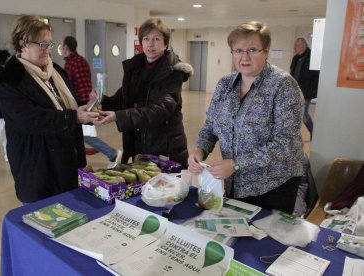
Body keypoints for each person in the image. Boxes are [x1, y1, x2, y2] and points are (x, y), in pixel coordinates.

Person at [188, 21, 304, 214]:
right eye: (238, 50)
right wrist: (199, 151)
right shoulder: (225, 84)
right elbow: (210, 125)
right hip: (236, 182)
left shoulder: (283, 86)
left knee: (265, 240)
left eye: (252, 50)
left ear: (266, 51)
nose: (245, 57)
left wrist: (236, 164)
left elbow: (286, 143)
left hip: (273, 183)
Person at [0, 15, 99, 204]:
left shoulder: (55, 71)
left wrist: (82, 105)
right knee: (43, 223)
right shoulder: (11, 79)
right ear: (22, 43)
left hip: (65, 162)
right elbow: (30, 119)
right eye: (41, 44)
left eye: (50, 44)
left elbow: (63, 103)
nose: (47, 50)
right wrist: (73, 117)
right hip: (36, 166)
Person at [96, 18, 193, 169]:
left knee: (162, 190)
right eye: (146, 39)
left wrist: (119, 116)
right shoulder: (136, 69)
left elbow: (160, 110)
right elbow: (122, 99)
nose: (150, 44)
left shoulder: (174, 72)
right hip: (139, 143)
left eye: (156, 39)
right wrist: (101, 100)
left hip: (165, 146)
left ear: (165, 43)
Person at [62, 36, 122, 168]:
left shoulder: (74, 63)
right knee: (80, 135)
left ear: (67, 48)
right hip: (81, 104)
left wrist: (86, 106)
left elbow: (80, 87)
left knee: (86, 135)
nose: (61, 49)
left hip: (81, 105)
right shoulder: (79, 60)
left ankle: (112, 153)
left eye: (62, 46)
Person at [290, 37, 320, 140]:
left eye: (296, 45)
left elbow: (317, 76)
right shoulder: (295, 58)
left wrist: (311, 90)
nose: (294, 47)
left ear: (303, 45)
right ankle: (294, 136)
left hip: (307, 92)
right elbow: (292, 73)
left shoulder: (312, 58)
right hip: (296, 91)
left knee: (303, 115)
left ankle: (314, 134)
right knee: (294, 113)